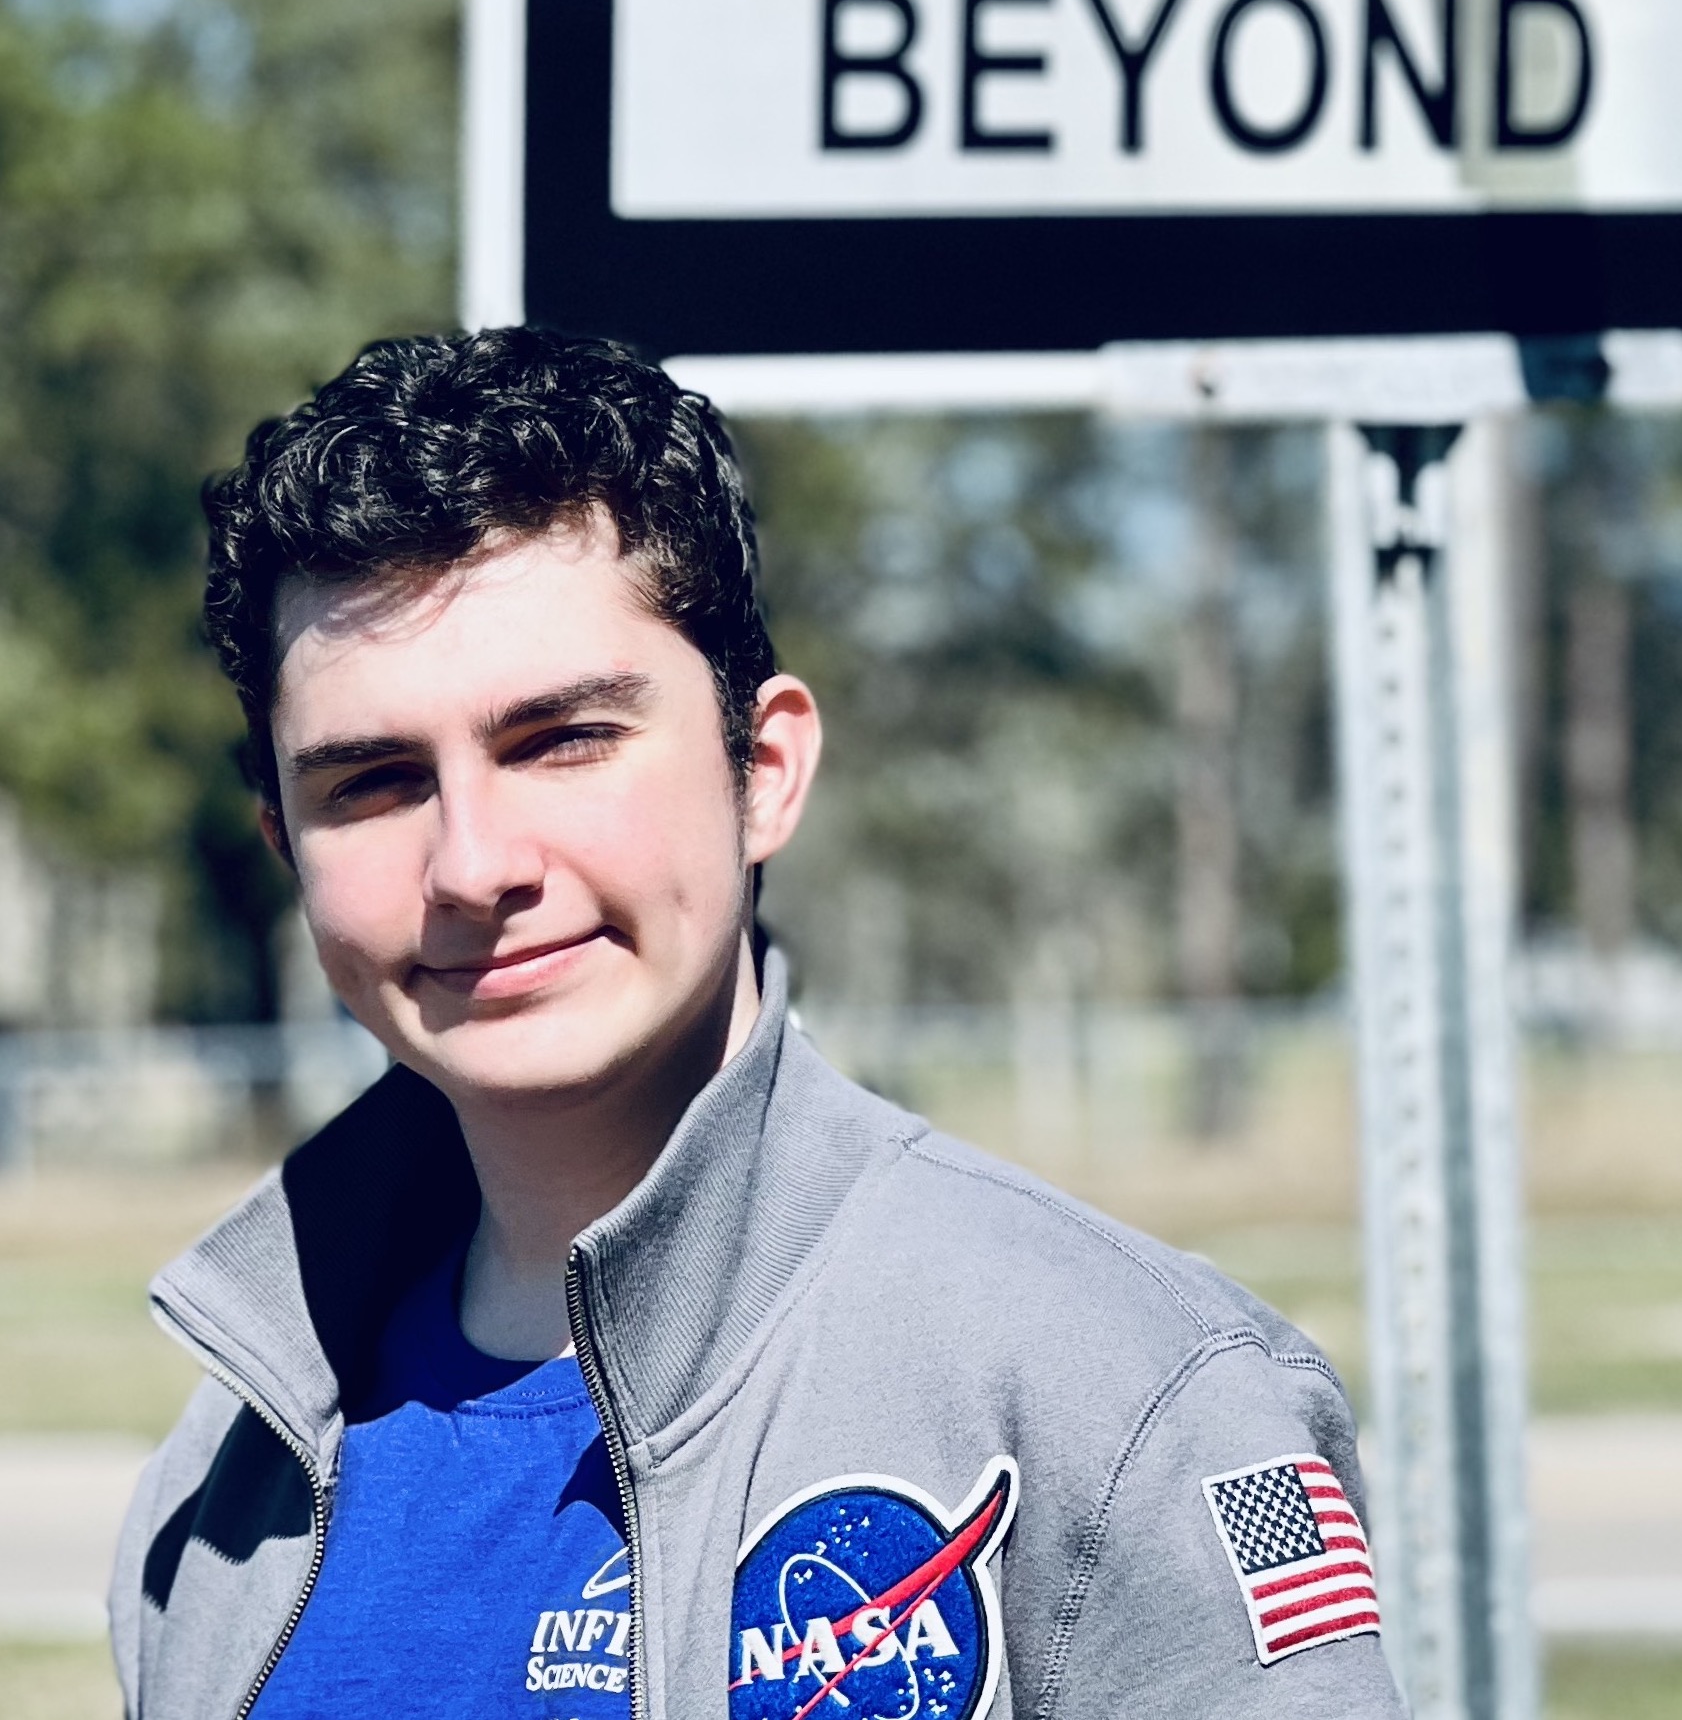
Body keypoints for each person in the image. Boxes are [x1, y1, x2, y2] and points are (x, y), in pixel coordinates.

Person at [110, 327, 1403, 1720]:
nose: (475, 862)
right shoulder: (225, 1485)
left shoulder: (1125, 1395)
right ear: (284, 846)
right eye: (371, 781)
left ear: (764, 769)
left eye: (564, 737)